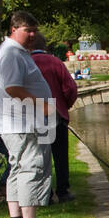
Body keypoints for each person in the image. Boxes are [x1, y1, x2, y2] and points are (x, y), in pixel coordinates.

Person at [0, 11, 57, 218]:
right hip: (24, 122)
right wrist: (41, 106)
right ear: (13, 29)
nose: (32, 35)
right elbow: (12, 88)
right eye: (27, 30)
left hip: (21, 122)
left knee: (18, 170)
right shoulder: (11, 53)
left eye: (34, 30)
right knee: (32, 168)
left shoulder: (17, 52)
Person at [29, 32, 78, 204]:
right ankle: (63, 191)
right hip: (56, 116)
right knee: (60, 156)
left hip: (34, 117)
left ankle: (46, 194)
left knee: (41, 157)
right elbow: (70, 88)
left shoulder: (26, 63)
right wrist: (65, 107)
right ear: (45, 46)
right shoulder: (55, 62)